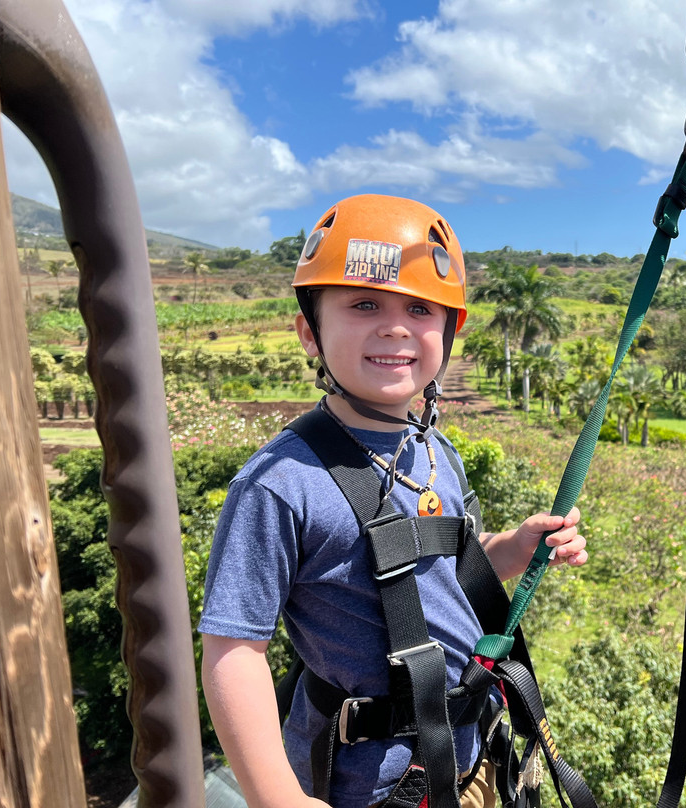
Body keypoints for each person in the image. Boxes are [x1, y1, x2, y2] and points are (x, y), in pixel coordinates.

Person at [198, 194, 587, 808]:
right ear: (310, 331)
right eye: (363, 304)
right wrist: (278, 798)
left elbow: (441, 569)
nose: (396, 326)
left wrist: (511, 549)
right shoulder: (279, 482)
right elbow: (233, 649)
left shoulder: (435, 451)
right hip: (366, 787)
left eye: (420, 307)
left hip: (469, 759)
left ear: (449, 331)